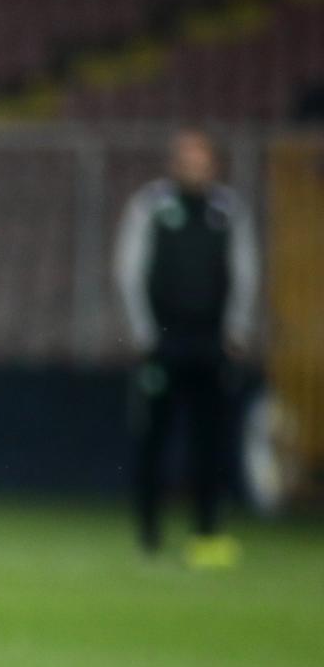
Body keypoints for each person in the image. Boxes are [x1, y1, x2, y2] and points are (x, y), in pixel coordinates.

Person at [114, 129, 259, 568]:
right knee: (152, 438)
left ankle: (207, 531)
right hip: (163, 342)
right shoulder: (150, 208)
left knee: (210, 441)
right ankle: (149, 532)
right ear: (173, 164)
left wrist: (236, 330)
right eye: (186, 159)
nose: (193, 168)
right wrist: (142, 333)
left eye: (201, 160)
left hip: (211, 343)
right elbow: (129, 269)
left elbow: (245, 271)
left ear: (213, 165)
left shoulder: (228, 211)